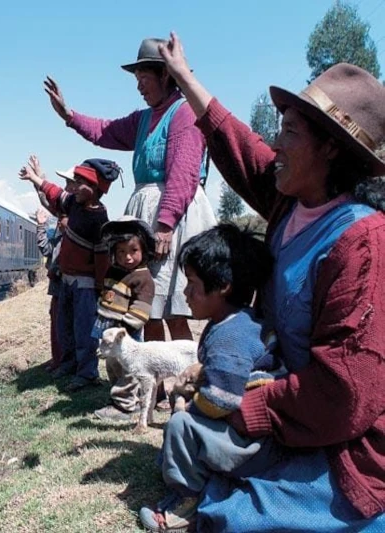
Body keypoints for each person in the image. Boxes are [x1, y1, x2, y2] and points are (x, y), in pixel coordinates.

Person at [156, 32, 385, 531]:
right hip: (282, 407)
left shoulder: (362, 242)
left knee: (231, 517)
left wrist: (250, 407)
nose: (275, 145)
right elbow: (240, 147)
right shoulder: (289, 202)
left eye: (290, 133)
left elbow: (346, 394)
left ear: (331, 147)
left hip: (336, 433)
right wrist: (184, 78)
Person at [44, 38, 216, 348]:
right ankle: (155, 374)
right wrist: (69, 116)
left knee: (174, 313)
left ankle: (183, 372)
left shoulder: (184, 113)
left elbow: (183, 173)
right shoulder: (144, 119)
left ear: (165, 75)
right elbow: (105, 130)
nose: (138, 87)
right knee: (149, 310)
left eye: (143, 78)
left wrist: (165, 225)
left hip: (172, 216)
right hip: (148, 215)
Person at [138, 223, 280, 532]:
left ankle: (187, 501)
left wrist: (184, 406)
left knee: (180, 424)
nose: (185, 292)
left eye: (191, 283)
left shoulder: (229, 336)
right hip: (257, 437)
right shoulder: (238, 322)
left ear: (223, 286)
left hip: (253, 446)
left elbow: (221, 400)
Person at [19, 157, 120, 391]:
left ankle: (87, 373)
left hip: (85, 285)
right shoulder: (74, 203)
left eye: (78, 183)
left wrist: (102, 287)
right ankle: (68, 364)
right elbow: (54, 192)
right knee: (65, 327)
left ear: (94, 188)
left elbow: (102, 258)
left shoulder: (99, 219)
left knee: (84, 331)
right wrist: (35, 178)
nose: (72, 187)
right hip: (66, 280)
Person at [90, 216, 156, 422]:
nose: (127, 257)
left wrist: (122, 330)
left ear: (144, 250)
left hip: (125, 332)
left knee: (127, 368)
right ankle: (124, 399)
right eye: (121, 252)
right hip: (108, 327)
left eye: (133, 251)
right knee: (113, 365)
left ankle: (124, 406)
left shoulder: (143, 278)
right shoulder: (114, 270)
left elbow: (140, 311)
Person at [35, 207, 69, 372]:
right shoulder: (58, 238)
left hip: (67, 289)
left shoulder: (75, 241)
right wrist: (41, 226)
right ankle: (58, 359)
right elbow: (46, 249)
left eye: (62, 218)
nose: (59, 222)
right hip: (57, 289)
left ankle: (64, 361)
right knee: (56, 324)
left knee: (64, 326)